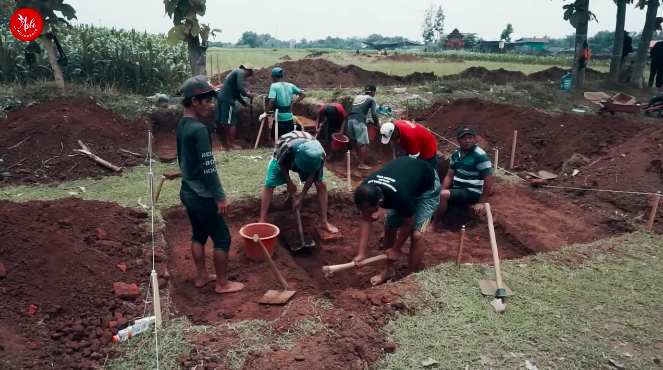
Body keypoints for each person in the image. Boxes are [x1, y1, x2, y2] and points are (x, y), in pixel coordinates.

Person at [176, 75, 244, 294]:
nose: (211, 104)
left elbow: (186, 160)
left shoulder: (182, 125)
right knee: (222, 237)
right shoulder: (199, 130)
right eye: (207, 100)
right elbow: (208, 168)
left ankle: (202, 275)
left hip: (187, 190)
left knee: (198, 234)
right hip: (202, 195)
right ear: (195, 101)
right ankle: (223, 284)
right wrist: (220, 196)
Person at [352, 156, 440, 286]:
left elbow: (408, 223)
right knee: (389, 227)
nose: (367, 213)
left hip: (427, 187)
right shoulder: (366, 190)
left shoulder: (400, 197)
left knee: (417, 235)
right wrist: (361, 253)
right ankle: (389, 271)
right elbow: (366, 219)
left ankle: (410, 279)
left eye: (370, 210)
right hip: (406, 180)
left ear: (380, 202)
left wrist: (396, 249)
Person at [259, 130, 338, 233]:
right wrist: (289, 182)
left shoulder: (319, 155)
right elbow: (281, 163)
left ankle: (324, 221)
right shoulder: (286, 146)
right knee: (269, 184)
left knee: (321, 184)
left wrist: (301, 197)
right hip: (283, 158)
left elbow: (312, 175)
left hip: (304, 157)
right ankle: (262, 220)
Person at [429, 125, 494, 233]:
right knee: (436, 193)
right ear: (458, 140)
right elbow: (449, 175)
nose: (467, 141)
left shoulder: (480, 155)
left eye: (470, 137)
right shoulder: (456, 154)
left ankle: (434, 225)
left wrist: (483, 202)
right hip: (458, 188)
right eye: (464, 138)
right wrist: (440, 191)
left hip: (471, 191)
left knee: (444, 195)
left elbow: (488, 178)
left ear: (474, 139)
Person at [261, 67, 306, 145]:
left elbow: (272, 100)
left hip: (279, 118)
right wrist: (293, 103)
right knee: (289, 139)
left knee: (273, 138)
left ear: (274, 77)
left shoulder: (274, 86)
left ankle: (276, 152)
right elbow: (303, 94)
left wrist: (265, 113)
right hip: (289, 117)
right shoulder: (291, 85)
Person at [215, 64, 255, 150]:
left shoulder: (235, 73)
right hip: (227, 99)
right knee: (231, 122)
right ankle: (232, 144)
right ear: (247, 70)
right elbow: (241, 88)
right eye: (248, 75)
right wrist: (248, 94)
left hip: (223, 98)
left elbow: (237, 93)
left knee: (226, 121)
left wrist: (245, 103)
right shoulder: (240, 71)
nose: (246, 77)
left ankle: (227, 142)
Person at [346, 84, 379, 170]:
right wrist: (377, 124)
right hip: (359, 120)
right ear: (372, 92)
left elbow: (349, 111)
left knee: (356, 140)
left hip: (350, 120)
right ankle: (361, 164)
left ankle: (358, 158)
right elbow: (374, 114)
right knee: (364, 143)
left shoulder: (357, 97)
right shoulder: (371, 99)